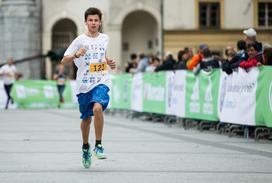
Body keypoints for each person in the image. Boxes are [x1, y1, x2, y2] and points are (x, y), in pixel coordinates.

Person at [61, 7, 116, 168]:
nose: (93, 23)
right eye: (90, 20)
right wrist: (76, 54)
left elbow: (103, 57)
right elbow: (64, 60)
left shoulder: (105, 38)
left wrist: (109, 62)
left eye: (96, 20)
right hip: (84, 85)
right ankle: (85, 146)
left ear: (100, 22)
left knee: (98, 108)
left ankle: (98, 145)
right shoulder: (79, 40)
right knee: (86, 119)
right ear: (86, 22)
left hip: (101, 80)